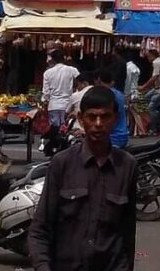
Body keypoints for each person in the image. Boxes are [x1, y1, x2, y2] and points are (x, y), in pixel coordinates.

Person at [29, 85, 137, 271]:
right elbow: (40, 228)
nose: (98, 123)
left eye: (105, 117)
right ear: (81, 119)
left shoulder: (127, 166)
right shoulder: (62, 163)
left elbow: (127, 234)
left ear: (115, 119)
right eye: (92, 116)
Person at [42, 49, 80, 129]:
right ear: (64, 58)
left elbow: (46, 92)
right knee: (66, 130)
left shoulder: (47, 73)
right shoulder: (72, 70)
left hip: (53, 105)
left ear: (52, 59)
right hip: (67, 105)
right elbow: (81, 81)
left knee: (54, 131)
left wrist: (46, 103)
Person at [96, 67, 130, 150]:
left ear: (99, 80)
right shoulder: (119, 94)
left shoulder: (106, 96)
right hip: (123, 134)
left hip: (113, 137)